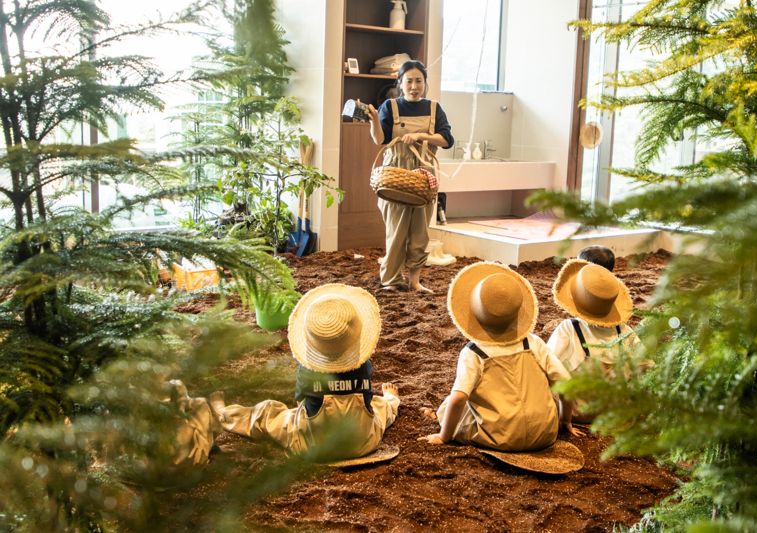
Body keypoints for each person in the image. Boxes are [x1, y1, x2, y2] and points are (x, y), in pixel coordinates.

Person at [210, 283, 400, 461]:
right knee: (379, 406)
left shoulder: (308, 370)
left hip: (313, 445)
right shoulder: (364, 366)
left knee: (268, 413)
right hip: (364, 443)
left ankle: (224, 414)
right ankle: (393, 400)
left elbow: (300, 400)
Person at [418, 262, 583, 451]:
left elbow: (459, 399)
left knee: (449, 404)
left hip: (500, 436)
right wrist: (564, 420)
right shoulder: (534, 342)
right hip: (545, 432)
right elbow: (566, 383)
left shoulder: (474, 352)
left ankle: (441, 421)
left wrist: (443, 436)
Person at [366, 60, 454, 293]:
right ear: (401, 83)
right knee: (395, 231)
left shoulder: (435, 109)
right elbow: (379, 139)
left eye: (419, 81)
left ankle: (414, 281)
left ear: (425, 83)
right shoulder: (390, 106)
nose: (414, 86)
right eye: (409, 81)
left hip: (424, 175)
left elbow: (446, 139)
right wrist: (374, 119)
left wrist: (420, 135)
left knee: (419, 232)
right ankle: (391, 280)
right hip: (395, 173)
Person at [546, 259, 647, 423]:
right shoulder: (625, 331)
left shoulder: (569, 328)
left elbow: (547, 366)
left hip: (580, 413)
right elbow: (645, 369)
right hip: (615, 410)